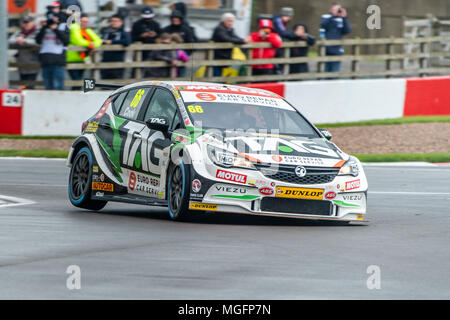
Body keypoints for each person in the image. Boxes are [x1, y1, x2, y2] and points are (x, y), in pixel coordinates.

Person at [35, 11, 70, 90]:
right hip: (45, 61)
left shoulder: (63, 27)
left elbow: (66, 41)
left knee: (58, 86)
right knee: (48, 86)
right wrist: (44, 27)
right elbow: (37, 40)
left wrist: (55, 29)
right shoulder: (44, 29)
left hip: (57, 62)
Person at [67, 13, 102, 87]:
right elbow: (77, 40)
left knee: (79, 81)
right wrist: (90, 44)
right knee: (76, 81)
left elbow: (98, 40)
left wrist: (92, 45)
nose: (85, 23)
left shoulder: (87, 30)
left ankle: (78, 94)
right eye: (83, 21)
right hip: (72, 59)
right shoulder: (74, 27)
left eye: (86, 22)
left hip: (83, 58)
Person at [211, 13, 250, 77]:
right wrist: (242, 41)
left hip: (225, 56)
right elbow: (227, 39)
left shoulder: (229, 29)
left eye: (232, 21)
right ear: (223, 21)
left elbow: (235, 37)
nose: (231, 23)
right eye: (229, 21)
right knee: (216, 75)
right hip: (218, 57)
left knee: (222, 76)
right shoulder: (220, 29)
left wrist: (243, 40)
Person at [8, 16, 40, 88]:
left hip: (33, 65)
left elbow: (38, 42)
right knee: (23, 88)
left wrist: (25, 41)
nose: (26, 24)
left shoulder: (37, 32)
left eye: (28, 22)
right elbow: (9, 41)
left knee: (30, 87)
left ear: (32, 23)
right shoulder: (19, 33)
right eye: (25, 22)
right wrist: (17, 40)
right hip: (21, 65)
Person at [320, 2, 351, 73]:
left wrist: (344, 18)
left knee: (335, 72)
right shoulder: (326, 17)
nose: (337, 11)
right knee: (324, 72)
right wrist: (332, 16)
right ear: (330, 10)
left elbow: (347, 31)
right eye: (335, 9)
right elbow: (323, 25)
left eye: (338, 9)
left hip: (337, 49)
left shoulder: (342, 20)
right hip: (326, 49)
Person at [100, 15, 132, 80]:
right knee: (104, 83)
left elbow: (127, 41)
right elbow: (98, 40)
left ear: (121, 22)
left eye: (116, 21)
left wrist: (112, 42)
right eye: (112, 21)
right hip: (105, 62)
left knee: (117, 82)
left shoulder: (123, 33)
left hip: (118, 62)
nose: (114, 22)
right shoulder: (105, 32)